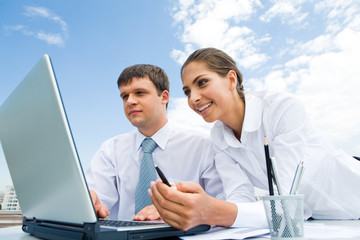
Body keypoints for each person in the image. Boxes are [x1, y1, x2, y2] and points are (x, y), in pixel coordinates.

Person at [149, 48, 360, 230]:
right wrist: (195, 206)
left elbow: (287, 203)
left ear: (232, 80)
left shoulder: (281, 108)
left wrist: (212, 210)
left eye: (202, 83)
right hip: (322, 222)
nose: (193, 98)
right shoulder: (218, 137)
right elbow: (239, 197)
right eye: (187, 91)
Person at [86, 64, 224, 221]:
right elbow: (97, 196)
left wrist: (179, 209)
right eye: (125, 96)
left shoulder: (203, 145)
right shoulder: (110, 150)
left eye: (140, 93)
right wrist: (92, 201)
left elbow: (222, 205)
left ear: (164, 97)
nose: (130, 101)